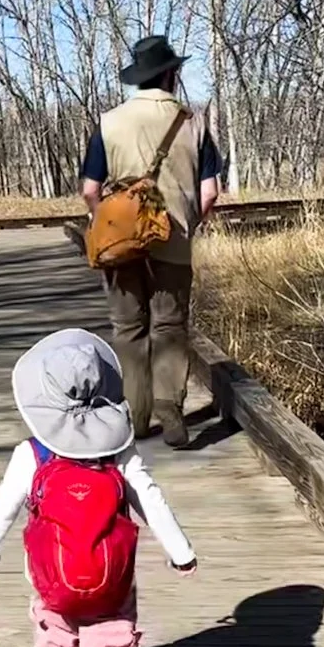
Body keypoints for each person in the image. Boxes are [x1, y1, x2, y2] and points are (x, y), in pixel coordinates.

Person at [0, 328, 197, 647]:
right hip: (112, 577)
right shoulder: (119, 452)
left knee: (55, 623)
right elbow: (151, 501)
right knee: (112, 639)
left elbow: (4, 504)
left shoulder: (31, 452)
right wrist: (181, 552)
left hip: (52, 572)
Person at [80, 33, 226, 448]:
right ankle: (171, 410)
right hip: (174, 241)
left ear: (140, 77)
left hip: (120, 245)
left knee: (128, 328)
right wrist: (186, 224)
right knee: (170, 326)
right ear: (170, 73)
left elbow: (90, 189)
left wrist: (107, 222)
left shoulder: (109, 122)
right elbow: (210, 192)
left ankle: (136, 416)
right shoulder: (192, 122)